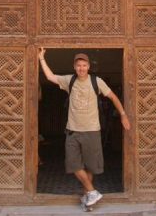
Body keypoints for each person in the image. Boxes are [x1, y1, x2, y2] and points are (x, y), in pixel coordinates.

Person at [38, 48, 130, 207]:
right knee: (73, 164)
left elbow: (113, 96)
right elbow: (50, 77)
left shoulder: (97, 82)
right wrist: (41, 58)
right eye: (78, 65)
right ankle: (92, 191)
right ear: (75, 67)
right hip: (73, 131)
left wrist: (123, 114)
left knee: (90, 166)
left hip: (92, 131)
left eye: (84, 65)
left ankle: (88, 196)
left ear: (88, 67)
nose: (81, 68)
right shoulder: (69, 81)